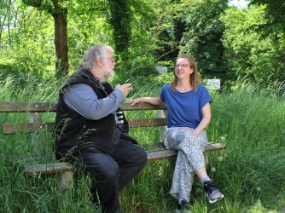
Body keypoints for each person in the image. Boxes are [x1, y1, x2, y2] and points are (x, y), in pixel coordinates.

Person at [54, 44, 147, 213]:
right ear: (98, 61)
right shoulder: (77, 85)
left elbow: (113, 116)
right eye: (111, 59)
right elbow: (95, 111)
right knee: (110, 168)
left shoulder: (102, 85)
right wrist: (119, 94)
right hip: (79, 145)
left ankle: (95, 198)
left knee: (138, 156)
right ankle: (112, 209)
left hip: (102, 141)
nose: (114, 63)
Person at [131, 55, 224, 211]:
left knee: (184, 154)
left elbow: (207, 117)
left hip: (197, 133)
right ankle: (207, 183)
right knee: (187, 141)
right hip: (173, 134)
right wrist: (142, 98)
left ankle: (182, 203)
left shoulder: (200, 91)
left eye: (184, 65)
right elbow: (159, 101)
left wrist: (194, 133)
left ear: (191, 69)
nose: (179, 68)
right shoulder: (167, 89)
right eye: (177, 65)